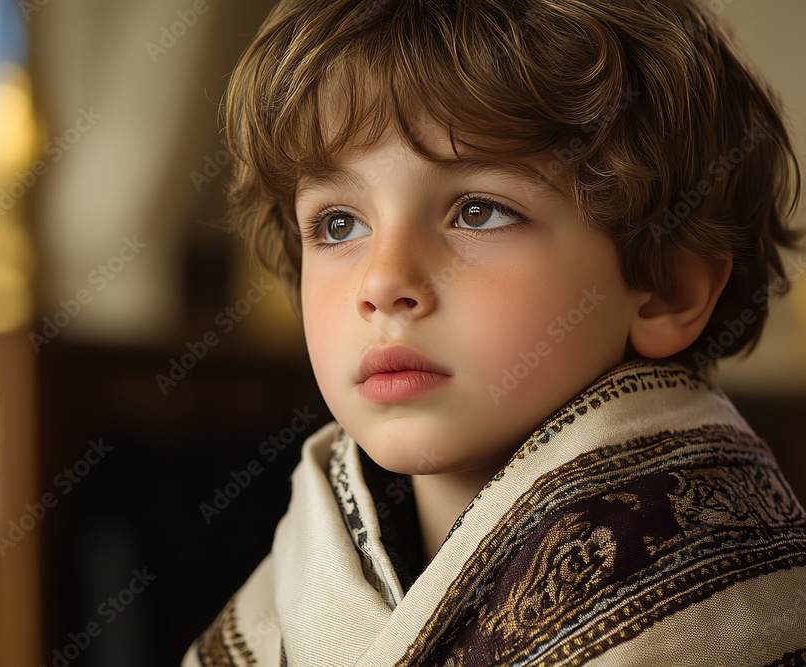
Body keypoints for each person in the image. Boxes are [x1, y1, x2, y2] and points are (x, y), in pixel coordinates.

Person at [183, 0, 806, 664]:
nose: (382, 281)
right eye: (339, 223)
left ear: (667, 287)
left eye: (478, 211)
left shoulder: (730, 614)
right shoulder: (282, 600)